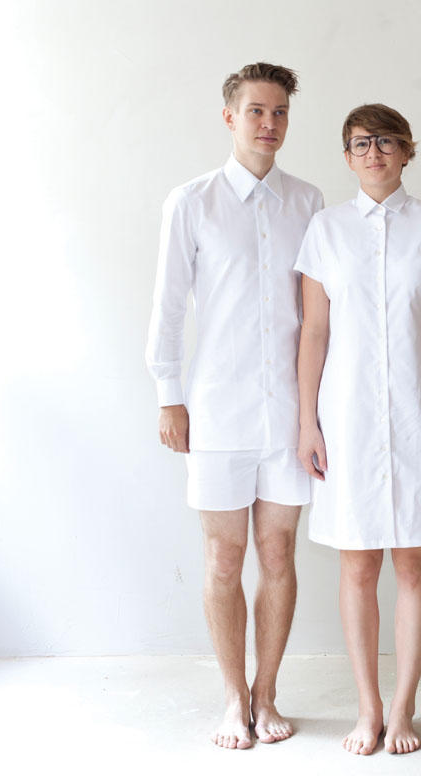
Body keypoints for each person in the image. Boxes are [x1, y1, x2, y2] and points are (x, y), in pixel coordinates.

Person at [145, 62, 324, 750]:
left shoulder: (307, 202)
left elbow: (319, 315)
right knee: (224, 558)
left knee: (278, 552)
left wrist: (318, 411)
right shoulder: (191, 202)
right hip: (217, 411)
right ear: (230, 117)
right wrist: (170, 396)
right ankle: (231, 698)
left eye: (279, 112)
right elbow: (168, 308)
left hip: (290, 415)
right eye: (256, 111)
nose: (269, 124)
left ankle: (266, 692)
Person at [294, 103, 421, 755]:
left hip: (420, 415)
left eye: (386, 141)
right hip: (347, 419)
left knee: (414, 563)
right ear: (347, 156)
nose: (373, 152)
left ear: (406, 150)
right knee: (357, 562)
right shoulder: (326, 230)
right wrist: (307, 423)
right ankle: (367, 707)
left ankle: (403, 708)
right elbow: (314, 332)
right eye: (360, 143)